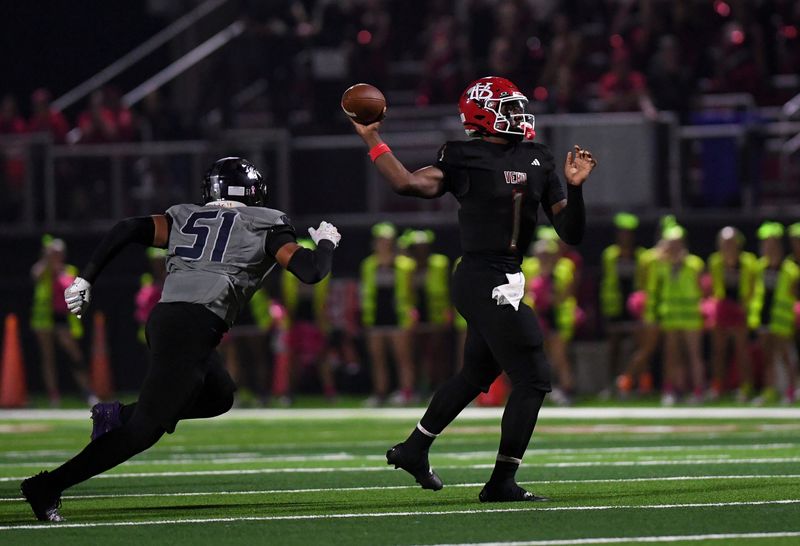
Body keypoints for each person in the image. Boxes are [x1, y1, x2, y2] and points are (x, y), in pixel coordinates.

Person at [20, 157, 341, 522]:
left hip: (170, 319)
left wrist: (87, 278)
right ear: (253, 193)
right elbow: (313, 271)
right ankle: (46, 486)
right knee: (142, 432)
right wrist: (327, 243)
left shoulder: (186, 217)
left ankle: (122, 413)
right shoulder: (264, 224)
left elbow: (126, 228)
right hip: (192, 327)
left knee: (219, 394)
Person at [350, 76, 596, 501]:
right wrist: (373, 139)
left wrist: (575, 190)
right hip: (482, 275)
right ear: (483, 114)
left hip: (505, 277)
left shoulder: (539, 156)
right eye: (510, 108)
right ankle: (501, 482)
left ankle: (414, 448)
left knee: (477, 373)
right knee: (534, 379)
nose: (520, 116)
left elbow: (570, 232)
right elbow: (408, 183)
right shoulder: (464, 155)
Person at [30, 235, 96, 407]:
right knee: (48, 358)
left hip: (62, 318)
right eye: (53, 253)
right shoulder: (42, 269)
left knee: (75, 355)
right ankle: (53, 396)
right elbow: (35, 275)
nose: (56, 256)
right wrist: (46, 260)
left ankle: (87, 391)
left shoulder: (69, 270)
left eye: (58, 253)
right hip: (44, 319)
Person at [646, 225, 706, 406]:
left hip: (691, 317)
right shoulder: (661, 265)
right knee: (671, 356)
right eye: (670, 243)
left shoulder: (695, 264)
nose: (673, 247)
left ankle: (698, 391)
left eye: (676, 243)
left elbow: (704, 289)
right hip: (670, 316)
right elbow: (653, 289)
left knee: (694, 355)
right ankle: (671, 389)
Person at [360, 222, 417, 406]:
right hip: (376, 316)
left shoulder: (405, 265)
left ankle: (407, 392)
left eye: (387, 240)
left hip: (398, 316)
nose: (384, 244)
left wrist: (410, 313)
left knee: (403, 357)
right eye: (381, 240)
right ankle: (380, 394)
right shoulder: (368, 265)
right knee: (377, 358)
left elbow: (412, 290)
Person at [749, 222, 798, 405]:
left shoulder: (790, 269)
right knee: (767, 356)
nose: (768, 247)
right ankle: (770, 390)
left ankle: (791, 391)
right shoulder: (759, 267)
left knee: (786, 356)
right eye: (765, 244)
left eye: (772, 243)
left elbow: (793, 294)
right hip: (764, 317)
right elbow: (755, 291)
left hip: (782, 319)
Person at [706, 227, 757, 401]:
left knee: (742, 351)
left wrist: (746, 308)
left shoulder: (749, 262)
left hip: (740, 311)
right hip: (722, 311)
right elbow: (713, 288)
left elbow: (753, 288)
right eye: (724, 243)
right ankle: (718, 387)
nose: (728, 246)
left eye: (731, 243)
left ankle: (745, 388)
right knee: (718, 351)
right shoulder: (715, 262)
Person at [400, 229, 452, 392]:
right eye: (416, 246)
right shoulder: (406, 266)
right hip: (414, 314)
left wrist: (448, 310)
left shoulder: (439, 263)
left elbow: (448, 287)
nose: (420, 249)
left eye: (423, 246)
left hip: (435, 314)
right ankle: (419, 388)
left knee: (437, 354)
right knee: (416, 355)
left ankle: (439, 386)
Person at [600, 213, 646, 396]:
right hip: (615, 308)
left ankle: (636, 385)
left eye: (628, 233)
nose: (625, 236)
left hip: (635, 309)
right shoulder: (610, 255)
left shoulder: (642, 256)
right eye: (622, 232)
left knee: (638, 347)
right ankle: (611, 385)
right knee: (614, 348)